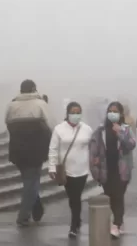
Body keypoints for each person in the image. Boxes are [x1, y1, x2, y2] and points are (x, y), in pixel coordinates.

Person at [5, 79, 52, 227]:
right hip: (36, 149)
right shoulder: (40, 104)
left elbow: (7, 123)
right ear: (33, 89)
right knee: (31, 181)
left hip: (17, 150)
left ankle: (36, 207)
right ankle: (23, 215)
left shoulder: (12, 105)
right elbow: (49, 125)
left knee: (28, 180)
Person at [89, 101, 136, 239]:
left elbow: (131, 144)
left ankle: (116, 223)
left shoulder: (126, 129)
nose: (112, 114)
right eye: (110, 111)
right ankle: (118, 221)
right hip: (106, 169)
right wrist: (95, 161)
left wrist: (120, 132)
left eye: (115, 111)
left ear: (121, 114)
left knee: (118, 196)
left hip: (122, 170)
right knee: (110, 196)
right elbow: (94, 147)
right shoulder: (101, 130)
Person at [48, 101, 93, 238]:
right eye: (73, 112)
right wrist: (52, 166)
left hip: (82, 169)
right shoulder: (59, 129)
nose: (75, 115)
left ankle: (74, 225)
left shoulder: (87, 129)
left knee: (76, 196)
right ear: (67, 113)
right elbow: (53, 149)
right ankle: (76, 220)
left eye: (78, 112)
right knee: (73, 197)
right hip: (66, 170)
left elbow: (93, 147)